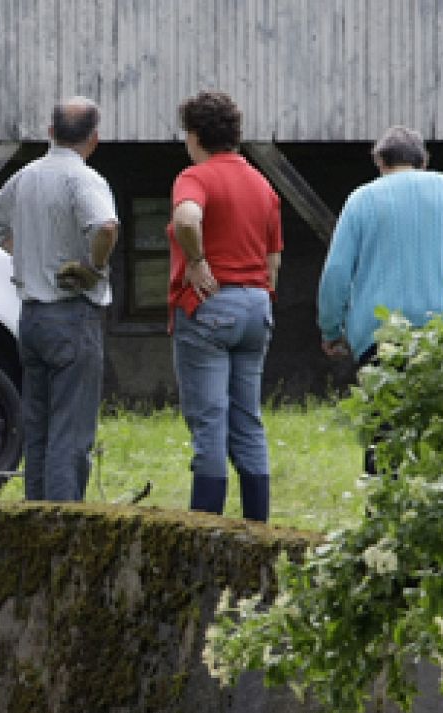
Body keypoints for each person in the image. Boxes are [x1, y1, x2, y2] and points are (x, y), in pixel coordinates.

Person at [317, 125, 443, 473]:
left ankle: (382, 515)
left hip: (381, 337)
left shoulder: (360, 199)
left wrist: (331, 328)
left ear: (380, 162)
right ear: (423, 161)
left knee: (383, 435)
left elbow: (337, 272)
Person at [0, 96, 119, 502]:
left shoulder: (25, 176)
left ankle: (35, 521)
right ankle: (65, 527)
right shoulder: (84, 179)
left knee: (37, 429)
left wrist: (25, 253)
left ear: (50, 132)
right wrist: (93, 267)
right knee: (70, 433)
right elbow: (106, 226)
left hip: (32, 317)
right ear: (94, 139)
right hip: (73, 315)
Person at [168, 91, 282, 522]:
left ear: (195, 135)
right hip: (256, 306)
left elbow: (186, 219)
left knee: (210, 422)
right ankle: (258, 529)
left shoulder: (195, 177)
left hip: (211, 306)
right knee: (247, 420)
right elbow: (273, 261)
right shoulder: (262, 184)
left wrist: (197, 262)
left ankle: (207, 529)